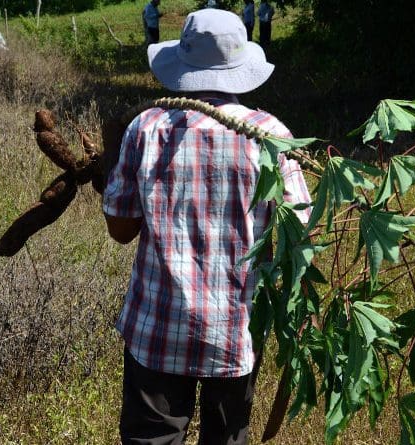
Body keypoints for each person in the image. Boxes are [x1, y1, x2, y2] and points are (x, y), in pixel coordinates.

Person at [103, 8, 311, 444]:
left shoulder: (147, 128)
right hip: (234, 330)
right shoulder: (271, 136)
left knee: (151, 438)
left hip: (157, 327)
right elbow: (297, 236)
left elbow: (120, 229)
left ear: (182, 62)